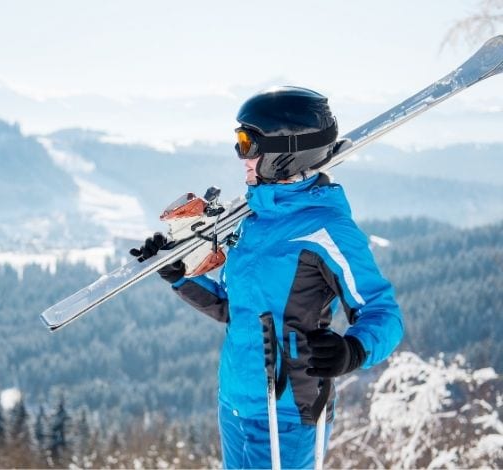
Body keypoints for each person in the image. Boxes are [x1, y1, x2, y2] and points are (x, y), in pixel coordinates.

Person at [130, 86, 404, 469]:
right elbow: (235, 308)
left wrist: (352, 350)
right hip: (236, 401)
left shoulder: (326, 229)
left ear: (285, 154)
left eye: (248, 143)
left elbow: (383, 313)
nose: (241, 156)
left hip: (288, 414)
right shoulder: (255, 220)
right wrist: (180, 277)